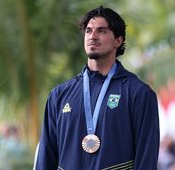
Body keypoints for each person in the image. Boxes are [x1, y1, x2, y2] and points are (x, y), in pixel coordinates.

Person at [35, 6, 159, 170]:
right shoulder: (59, 95)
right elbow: (46, 155)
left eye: (101, 31)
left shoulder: (139, 93)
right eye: (88, 31)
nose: (92, 36)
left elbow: (146, 159)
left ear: (118, 40)